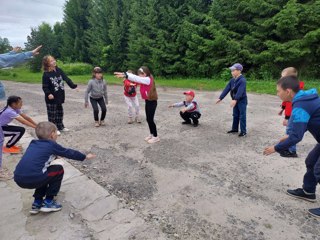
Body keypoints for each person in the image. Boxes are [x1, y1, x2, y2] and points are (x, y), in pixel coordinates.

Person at [263, 76, 320, 218]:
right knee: (311, 162)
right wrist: (289, 136)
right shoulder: (305, 99)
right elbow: (309, 121)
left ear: (288, 91)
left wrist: (276, 148)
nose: (277, 94)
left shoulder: (300, 105)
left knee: (319, 170)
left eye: (278, 91)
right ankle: (308, 192)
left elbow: (297, 137)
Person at [14, 122, 95, 214]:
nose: (57, 135)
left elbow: (39, 157)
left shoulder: (33, 143)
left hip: (18, 178)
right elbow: (68, 152)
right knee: (58, 169)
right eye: (56, 132)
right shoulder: (51, 145)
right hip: (34, 178)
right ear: (52, 134)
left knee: (43, 172)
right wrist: (84, 157)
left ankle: (37, 202)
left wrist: (55, 156)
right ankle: (49, 201)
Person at [114, 66, 159, 144]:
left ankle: (156, 137)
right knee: (148, 119)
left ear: (145, 73)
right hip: (148, 101)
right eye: (139, 74)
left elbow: (136, 78)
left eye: (141, 74)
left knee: (150, 119)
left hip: (152, 102)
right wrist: (124, 74)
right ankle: (151, 134)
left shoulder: (147, 79)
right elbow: (135, 77)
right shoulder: (145, 78)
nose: (139, 76)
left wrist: (126, 75)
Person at [0, 96, 37, 180]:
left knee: (20, 130)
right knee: (19, 131)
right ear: (14, 104)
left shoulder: (14, 109)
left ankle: (9, 146)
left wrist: (36, 125)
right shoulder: (9, 111)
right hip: (1, 129)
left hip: (3, 126)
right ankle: (8, 147)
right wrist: (35, 128)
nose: (22, 104)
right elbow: (23, 121)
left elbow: (26, 117)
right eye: (20, 103)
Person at [42, 55, 78, 135]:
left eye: (54, 59)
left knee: (59, 112)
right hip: (51, 98)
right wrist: (48, 94)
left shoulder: (59, 70)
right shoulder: (46, 74)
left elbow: (66, 79)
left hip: (59, 95)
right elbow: (45, 86)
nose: (54, 61)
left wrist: (73, 86)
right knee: (52, 114)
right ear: (47, 63)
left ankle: (60, 127)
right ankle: (53, 130)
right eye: (51, 61)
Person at [277, 67, 304, 158]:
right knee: (289, 131)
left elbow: (291, 106)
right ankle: (289, 148)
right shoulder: (290, 88)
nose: (281, 79)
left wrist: (287, 117)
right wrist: (282, 108)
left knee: (291, 131)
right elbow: (285, 101)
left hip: (293, 114)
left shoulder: (293, 90)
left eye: (283, 77)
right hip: (290, 113)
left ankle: (292, 151)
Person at [216, 63, 247, 137]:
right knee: (235, 114)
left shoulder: (242, 80)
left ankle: (243, 131)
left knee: (242, 115)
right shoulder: (232, 80)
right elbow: (227, 89)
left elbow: (240, 91)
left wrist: (235, 99)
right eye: (231, 71)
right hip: (235, 100)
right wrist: (221, 97)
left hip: (241, 100)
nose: (232, 72)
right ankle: (235, 128)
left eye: (233, 70)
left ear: (239, 71)